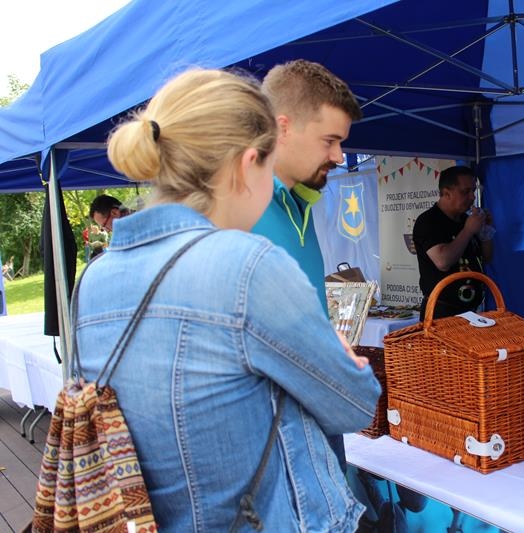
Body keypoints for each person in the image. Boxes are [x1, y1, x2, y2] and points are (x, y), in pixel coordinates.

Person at [75, 68, 381, 532]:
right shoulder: (247, 265)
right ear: (248, 163)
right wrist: (341, 360)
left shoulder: (94, 279)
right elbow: (353, 407)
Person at [250, 59, 363, 470]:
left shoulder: (302, 201)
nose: (339, 155)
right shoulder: (235, 209)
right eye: (329, 140)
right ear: (283, 128)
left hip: (316, 411)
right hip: (269, 434)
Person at [412, 165, 495, 321]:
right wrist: (468, 231)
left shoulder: (465, 219)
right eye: (465, 192)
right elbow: (443, 261)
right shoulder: (428, 221)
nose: (472, 197)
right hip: (442, 312)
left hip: (472, 310)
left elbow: (487, 257)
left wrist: (486, 231)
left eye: (473, 191)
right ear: (446, 193)